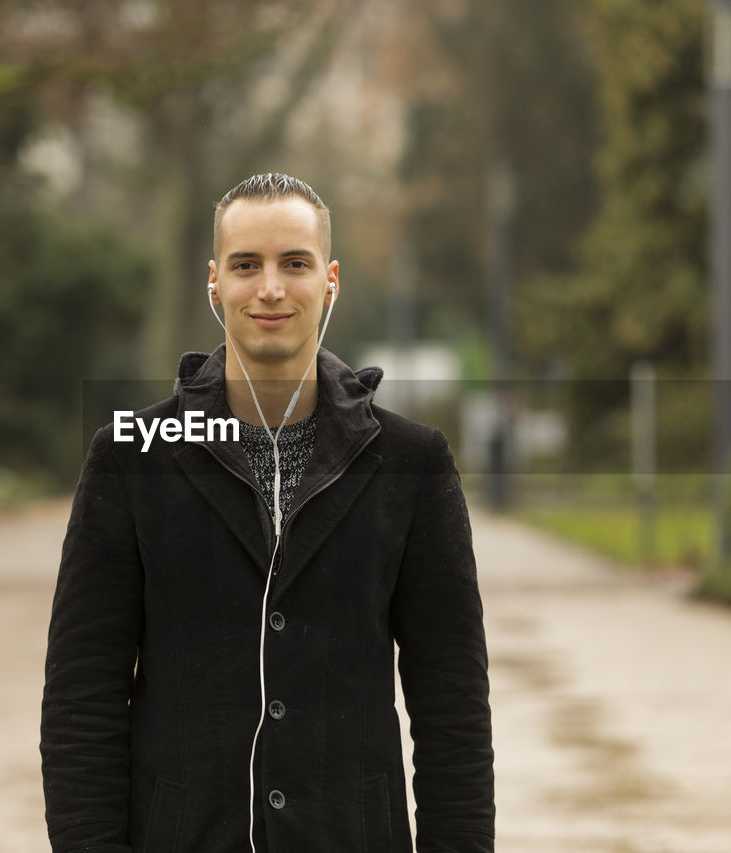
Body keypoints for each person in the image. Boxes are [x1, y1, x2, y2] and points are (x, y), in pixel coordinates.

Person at [41, 173, 494, 852]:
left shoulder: (412, 463)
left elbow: (452, 702)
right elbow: (83, 699)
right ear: (214, 282)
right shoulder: (130, 458)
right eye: (246, 264)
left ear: (331, 280)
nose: (271, 287)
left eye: (295, 263)